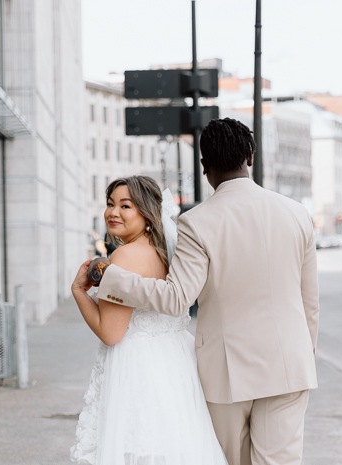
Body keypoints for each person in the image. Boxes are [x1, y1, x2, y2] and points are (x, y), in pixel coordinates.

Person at [96, 118, 320, 465]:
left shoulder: (198, 222)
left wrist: (111, 277)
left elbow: (175, 298)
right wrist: (305, 354)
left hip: (228, 372)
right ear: (250, 157)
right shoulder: (297, 214)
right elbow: (310, 305)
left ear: (204, 167)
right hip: (289, 364)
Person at [69, 175, 227, 465]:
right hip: (176, 366)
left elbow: (111, 332)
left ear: (147, 213)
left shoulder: (124, 258)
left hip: (138, 371)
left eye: (125, 206)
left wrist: (79, 292)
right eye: (109, 204)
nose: (113, 212)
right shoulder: (169, 255)